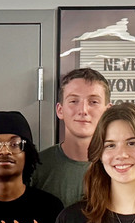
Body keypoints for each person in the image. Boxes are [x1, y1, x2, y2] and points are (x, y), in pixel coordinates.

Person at [32, 68, 111, 207]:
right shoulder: (36, 167)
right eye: (74, 101)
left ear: (107, 111)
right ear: (60, 110)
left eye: (93, 102)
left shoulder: (120, 166)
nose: (83, 111)